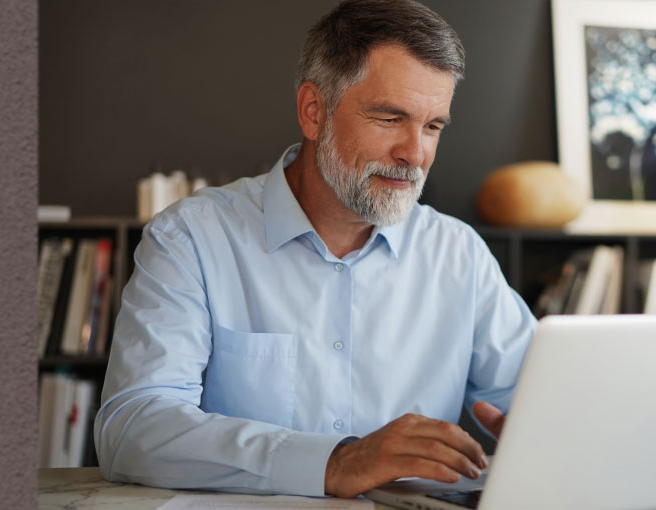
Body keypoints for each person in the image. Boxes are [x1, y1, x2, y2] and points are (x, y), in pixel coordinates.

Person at [94, 0, 536, 499]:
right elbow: (132, 429)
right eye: (391, 118)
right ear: (313, 111)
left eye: (433, 126)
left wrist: (550, 428)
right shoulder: (192, 239)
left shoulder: (460, 255)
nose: (416, 153)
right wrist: (336, 461)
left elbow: (546, 401)